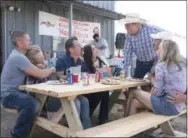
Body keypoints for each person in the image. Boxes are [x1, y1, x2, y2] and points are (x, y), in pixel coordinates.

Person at [0, 31, 55, 137]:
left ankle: (34, 126)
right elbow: (40, 74)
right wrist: (53, 69)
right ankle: (17, 133)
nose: (30, 41)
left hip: (14, 93)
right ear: (20, 42)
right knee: (32, 104)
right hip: (8, 95)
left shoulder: (18, 56)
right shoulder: (18, 57)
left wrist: (39, 66)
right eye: (28, 40)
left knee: (36, 102)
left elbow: (34, 69)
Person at [127, 40, 186, 116]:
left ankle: (123, 121)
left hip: (167, 105)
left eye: (159, 49)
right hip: (179, 106)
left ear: (165, 51)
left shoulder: (161, 66)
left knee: (133, 92)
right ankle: (131, 126)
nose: (156, 51)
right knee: (134, 102)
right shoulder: (183, 65)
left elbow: (158, 93)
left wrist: (153, 90)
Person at [54, 37, 91, 129]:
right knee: (76, 103)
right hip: (62, 92)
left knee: (85, 101)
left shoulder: (80, 60)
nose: (81, 47)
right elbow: (59, 76)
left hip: (75, 91)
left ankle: (86, 130)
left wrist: (83, 75)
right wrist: (72, 76)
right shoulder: (62, 60)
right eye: (78, 46)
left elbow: (85, 74)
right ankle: (74, 129)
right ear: (71, 49)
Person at [122, 13, 164, 78]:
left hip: (155, 61)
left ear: (136, 24)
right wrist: (127, 73)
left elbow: (164, 49)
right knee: (135, 82)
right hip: (141, 62)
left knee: (154, 82)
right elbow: (127, 53)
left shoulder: (152, 30)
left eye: (127, 25)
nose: (125, 28)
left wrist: (153, 71)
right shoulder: (128, 35)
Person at [150, 31, 187, 104]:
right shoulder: (167, 59)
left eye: (156, 39)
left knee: (136, 95)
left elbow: (158, 90)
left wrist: (185, 97)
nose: (153, 41)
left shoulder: (181, 61)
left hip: (177, 102)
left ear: (163, 43)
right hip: (173, 100)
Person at [81, 44, 110, 125]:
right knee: (101, 93)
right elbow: (85, 77)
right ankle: (88, 115)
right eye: (93, 49)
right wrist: (97, 71)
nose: (96, 50)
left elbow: (108, 74)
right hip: (88, 90)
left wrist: (106, 70)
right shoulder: (85, 64)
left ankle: (103, 119)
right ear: (89, 52)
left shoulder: (100, 60)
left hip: (98, 87)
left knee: (105, 92)